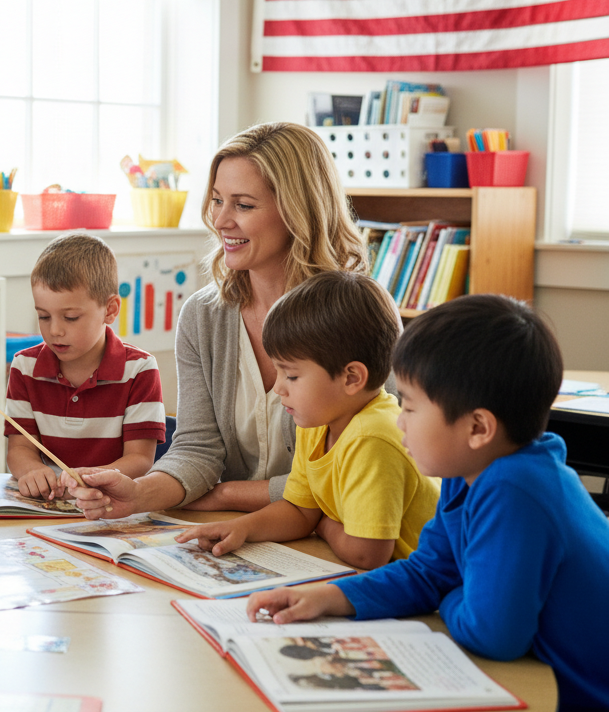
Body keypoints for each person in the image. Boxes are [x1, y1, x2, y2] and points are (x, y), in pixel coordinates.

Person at [246, 295, 609, 711]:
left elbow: (494, 636)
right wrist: (330, 596)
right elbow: (427, 571)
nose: (400, 421)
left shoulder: (516, 490)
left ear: (477, 428)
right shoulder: (470, 471)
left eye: (412, 408)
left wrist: (454, 591)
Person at [65, 122, 370, 518]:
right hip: (235, 533)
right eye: (216, 200)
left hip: (337, 534)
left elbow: (360, 464)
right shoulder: (203, 316)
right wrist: (138, 493)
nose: (221, 221)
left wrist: (227, 496)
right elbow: (197, 449)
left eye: (243, 205)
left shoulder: (357, 315)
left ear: (298, 211)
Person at [178, 272, 438, 570]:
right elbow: (300, 511)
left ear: (351, 378)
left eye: (292, 376)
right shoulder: (316, 425)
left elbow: (368, 554)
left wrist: (324, 524)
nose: (278, 388)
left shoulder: (372, 437)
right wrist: (243, 528)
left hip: (425, 584)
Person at [6, 234, 165, 500]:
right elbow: (19, 448)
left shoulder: (140, 369)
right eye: (43, 316)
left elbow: (139, 459)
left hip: (111, 504)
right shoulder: (25, 367)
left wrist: (91, 478)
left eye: (70, 317)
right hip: (47, 506)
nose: (54, 330)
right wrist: (31, 471)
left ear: (110, 310)